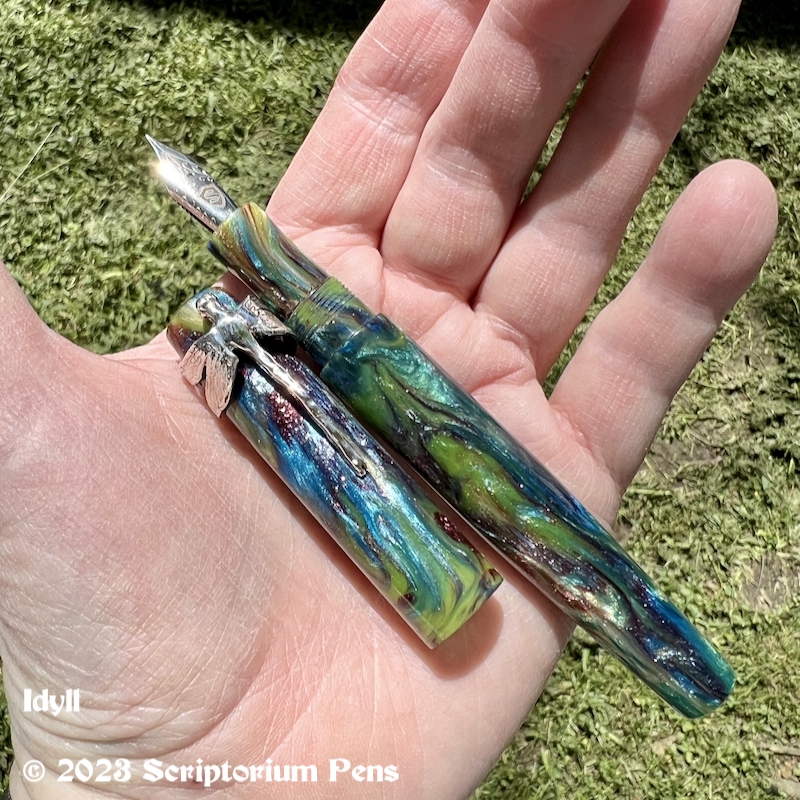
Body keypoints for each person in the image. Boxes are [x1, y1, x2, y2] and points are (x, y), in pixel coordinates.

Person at [0, 0, 778, 797]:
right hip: (337, 394)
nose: (192, 185)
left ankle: (679, 662)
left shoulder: (340, 333)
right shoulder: (312, 340)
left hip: (350, 361)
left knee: (565, 549)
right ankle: (676, 662)